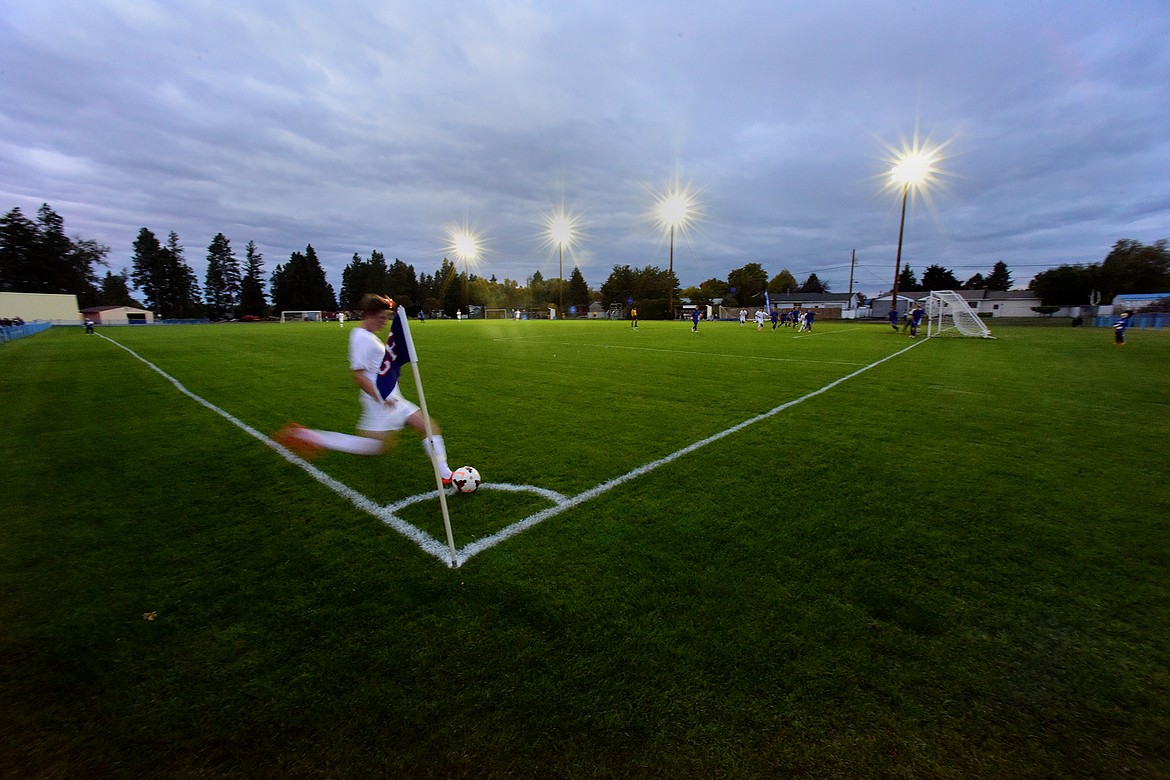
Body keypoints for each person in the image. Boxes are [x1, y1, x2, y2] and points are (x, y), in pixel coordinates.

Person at [274, 294, 454, 483]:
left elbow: (376, 368)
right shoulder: (361, 338)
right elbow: (358, 375)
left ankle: (445, 474)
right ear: (369, 314)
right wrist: (381, 397)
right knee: (375, 446)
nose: (385, 323)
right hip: (381, 402)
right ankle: (306, 436)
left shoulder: (367, 336)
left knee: (427, 427)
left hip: (391, 397)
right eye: (382, 318)